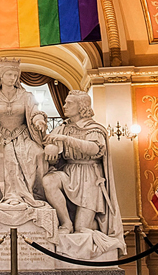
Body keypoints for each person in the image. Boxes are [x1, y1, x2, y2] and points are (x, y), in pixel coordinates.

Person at [40, 91, 123, 235]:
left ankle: (102, 225)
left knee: (81, 229)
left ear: (81, 106)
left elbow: (94, 149)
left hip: (89, 177)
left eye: (69, 103)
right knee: (49, 180)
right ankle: (66, 223)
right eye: (65, 102)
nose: (64, 106)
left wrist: (66, 140)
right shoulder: (63, 128)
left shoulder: (94, 128)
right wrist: (51, 149)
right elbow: (48, 144)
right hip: (69, 172)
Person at [0, 59, 49, 206]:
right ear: (0, 76)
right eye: (9, 74)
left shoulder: (26, 96)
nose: (13, 78)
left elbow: (34, 112)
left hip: (22, 135)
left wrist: (39, 121)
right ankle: (6, 195)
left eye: (15, 75)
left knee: (37, 153)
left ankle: (34, 195)